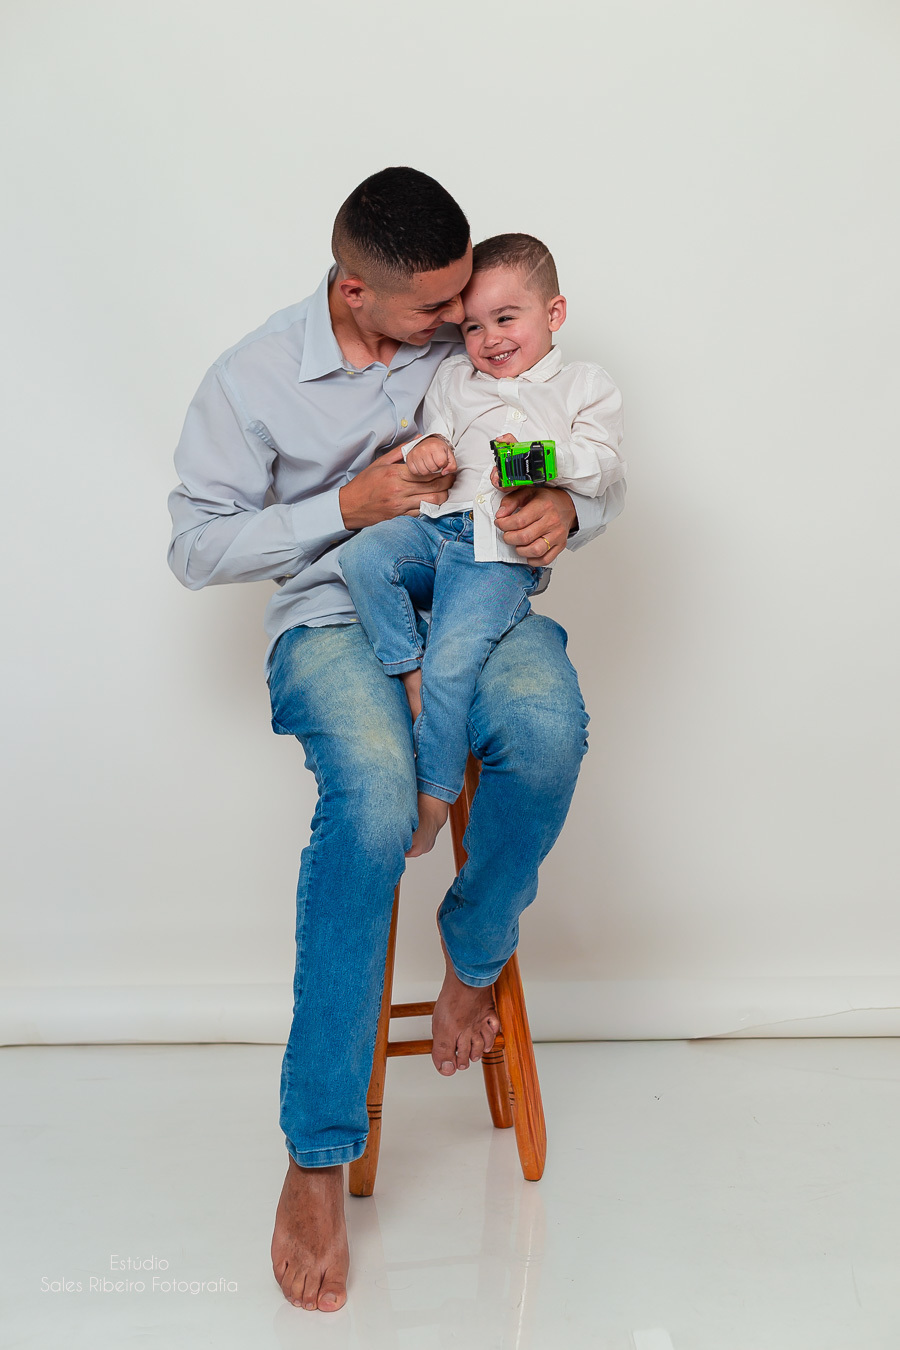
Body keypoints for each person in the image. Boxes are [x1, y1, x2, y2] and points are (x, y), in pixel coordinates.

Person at [166, 166, 626, 1314]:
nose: (462, 323)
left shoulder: (466, 343)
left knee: (549, 730)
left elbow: (558, 438)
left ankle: (473, 957)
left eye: (469, 301)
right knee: (374, 803)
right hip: (331, 619)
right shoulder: (252, 379)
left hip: (474, 596)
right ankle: (317, 1154)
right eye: (438, 308)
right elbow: (195, 546)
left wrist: (569, 508)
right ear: (354, 291)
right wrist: (345, 509)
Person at [338, 233, 625, 856]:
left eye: (506, 318)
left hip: (496, 551)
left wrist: (542, 461)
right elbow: (434, 435)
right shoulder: (454, 378)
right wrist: (428, 451)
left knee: (454, 657)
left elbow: (604, 465)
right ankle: (407, 670)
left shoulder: (583, 385)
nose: (489, 338)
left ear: (554, 313)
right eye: (472, 327)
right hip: (438, 526)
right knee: (362, 555)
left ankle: (434, 799)